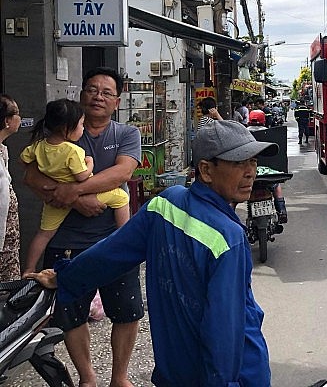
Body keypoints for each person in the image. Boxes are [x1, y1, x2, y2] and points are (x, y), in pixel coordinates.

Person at [26, 120, 276, 387]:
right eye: (238, 163)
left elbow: (110, 253)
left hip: (177, 370)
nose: (251, 172)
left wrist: (65, 277)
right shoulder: (228, 237)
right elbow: (224, 331)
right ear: (206, 170)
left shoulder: (164, 204)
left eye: (252, 161)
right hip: (236, 375)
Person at [24, 67, 142, 387]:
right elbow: (32, 177)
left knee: (127, 312)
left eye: (106, 92)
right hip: (67, 239)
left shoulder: (126, 134)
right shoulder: (59, 132)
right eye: (92, 89)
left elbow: (122, 174)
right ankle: (87, 378)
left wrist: (73, 192)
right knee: (71, 313)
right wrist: (78, 202)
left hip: (115, 241)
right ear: (81, 94)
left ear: (117, 101)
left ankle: (120, 377)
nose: (98, 96)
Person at [21, 98, 130, 275]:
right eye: (80, 125)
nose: (83, 128)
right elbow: (82, 175)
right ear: (66, 129)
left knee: (43, 234)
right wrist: (90, 162)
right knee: (121, 197)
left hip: (55, 201)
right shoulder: (73, 151)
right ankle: (126, 239)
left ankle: (29, 268)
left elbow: (24, 161)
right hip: (87, 194)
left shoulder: (38, 146)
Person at [0, 94, 21, 281]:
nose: (20, 119)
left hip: (8, 242)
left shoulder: (2, 149)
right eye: (17, 114)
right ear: (7, 121)